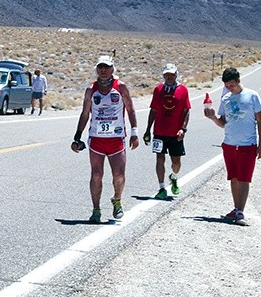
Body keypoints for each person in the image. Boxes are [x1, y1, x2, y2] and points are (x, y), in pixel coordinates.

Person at [71, 55, 139, 223]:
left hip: (116, 139)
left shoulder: (121, 87)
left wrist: (134, 132)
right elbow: (85, 113)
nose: (103, 70)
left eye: (106, 67)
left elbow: (130, 109)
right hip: (96, 139)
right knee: (96, 174)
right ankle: (96, 210)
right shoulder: (90, 90)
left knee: (119, 175)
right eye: (100, 67)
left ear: (112, 69)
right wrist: (77, 136)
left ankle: (117, 199)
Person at [204, 67, 261, 226]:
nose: (229, 88)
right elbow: (223, 122)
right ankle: (236, 208)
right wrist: (212, 118)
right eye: (227, 86)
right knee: (234, 178)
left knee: (244, 178)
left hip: (247, 145)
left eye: (231, 85)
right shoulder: (226, 99)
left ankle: (240, 211)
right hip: (230, 144)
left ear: (238, 80)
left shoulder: (252, 96)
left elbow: (260, 121)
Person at [143, 63, 191, 200]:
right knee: (160, 158)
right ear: (163, 75)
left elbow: (186, 110)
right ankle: (161, 187)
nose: (169, 77)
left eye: (171, 75)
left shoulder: (183, 90)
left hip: (176, 133)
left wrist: (183, 129)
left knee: (176, 161)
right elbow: (153, 110)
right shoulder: (158, 90)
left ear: (176, 75)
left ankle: (174, 177)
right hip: (159, 131)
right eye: (166, 75)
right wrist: (147, 130)